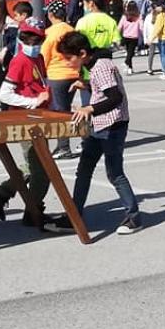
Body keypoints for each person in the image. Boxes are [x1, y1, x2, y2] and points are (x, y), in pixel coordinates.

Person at [44, 30, 141, 236]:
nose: (67, 62)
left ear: (81, 53)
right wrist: (86, 85)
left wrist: (90, 108)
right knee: (84, 169)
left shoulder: (101, 67)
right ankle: (74, 214)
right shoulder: (93, 65)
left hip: (112, 126)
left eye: (69, 58)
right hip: (98, 126)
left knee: (114, 173)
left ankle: (134, 217)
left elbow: (115, 97)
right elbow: (103, 89)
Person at [0, 20, 51, 226]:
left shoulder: (38, 58)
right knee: (44, 171)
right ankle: (33, 210)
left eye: (38, 40)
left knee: (32, 167)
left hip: (39, 118)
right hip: (25, 120)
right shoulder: (20, 61)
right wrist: (32, 102)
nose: (34, 43)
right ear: (21, 39)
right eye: (29, 39)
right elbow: (5, 94)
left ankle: (1, 193)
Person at [42, 0, 82, 160]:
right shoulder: (71, 30)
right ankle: (61, 144)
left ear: (51, 15)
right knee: (64, 109)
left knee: (59, 112)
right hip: (73, 74)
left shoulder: (50, 33)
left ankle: (64, 146)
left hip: (56, 75)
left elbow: (44, 56)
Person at [117, 0, 143, 75]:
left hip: (126, 36)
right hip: (134, 37)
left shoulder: (125, 16)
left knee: (129, 52)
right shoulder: (138, 16)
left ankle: (130, 67)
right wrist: (144, 34)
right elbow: (141, 26)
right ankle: (127, 63)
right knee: (131, 52)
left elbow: (120, 26)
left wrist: (117, 34)